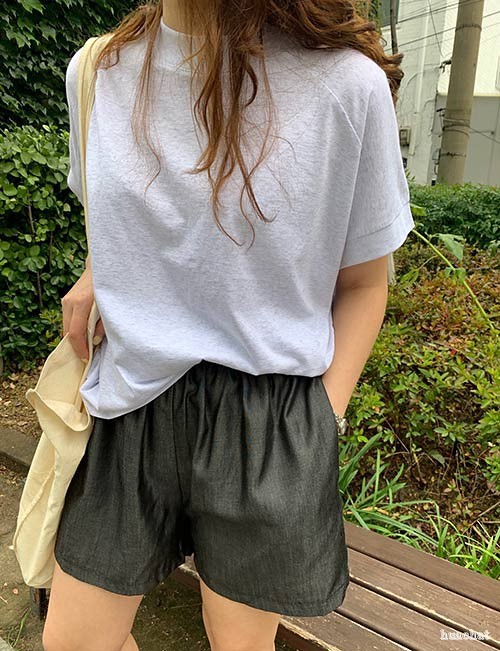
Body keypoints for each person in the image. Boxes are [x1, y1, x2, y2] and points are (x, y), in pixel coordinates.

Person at [42, 0, 415, 649]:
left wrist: (322, 415)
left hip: (266, 419)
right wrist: (97, 271)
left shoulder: (345, 85)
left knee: (240, 644)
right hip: (132, 401)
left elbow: (363, 284)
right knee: (71, 642)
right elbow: (119, 215)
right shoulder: (97, 72)